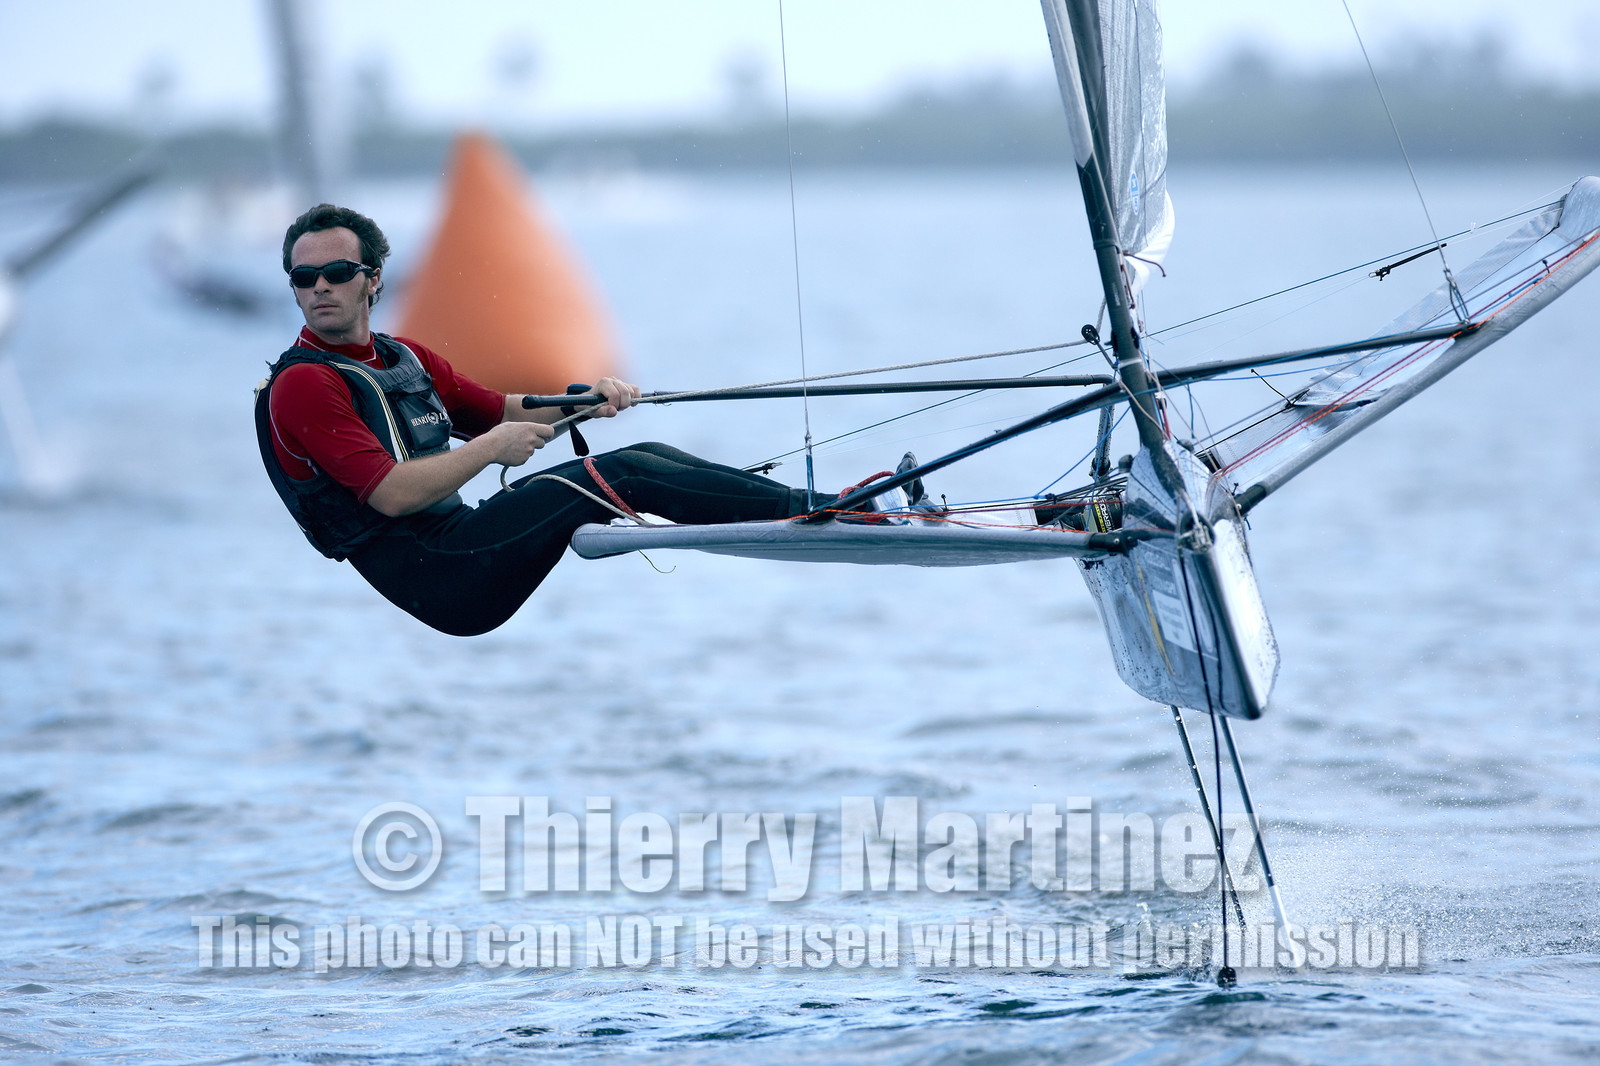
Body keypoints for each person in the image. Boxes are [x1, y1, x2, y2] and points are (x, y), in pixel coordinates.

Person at [256, 203, 859, 636]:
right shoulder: (304, 384)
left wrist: (585, 402)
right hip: (439, 575)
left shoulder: (404, 357)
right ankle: (832, 511)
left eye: (337, 273)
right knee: (621, 476)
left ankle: (828, 503)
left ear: (373, 279)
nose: (320, 289)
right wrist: (492, 447)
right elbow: (390, 496)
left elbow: (501, 409)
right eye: (304, 279)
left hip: (460, 543)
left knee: (644, 453)